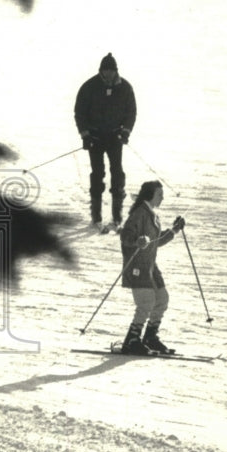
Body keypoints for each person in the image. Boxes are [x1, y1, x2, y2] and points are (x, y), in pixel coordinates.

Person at [119, 180, 185, 355]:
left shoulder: (152, 214)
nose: (162, 198)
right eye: (159, 195)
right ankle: (131, 340)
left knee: (162, 299)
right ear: (150, 195)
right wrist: (136, 241)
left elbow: (155, 242)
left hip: (150, 266)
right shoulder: (139, 214)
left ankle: (150, 337)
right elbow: (126, 236)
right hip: (137, 266)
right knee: (146, 302)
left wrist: (174, 230)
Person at [74, 53, 136, 229]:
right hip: (95, 138)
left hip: (115, 137)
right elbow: (80, 112)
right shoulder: (89, 87)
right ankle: (96, 216)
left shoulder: (125, 88)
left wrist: (125, 132)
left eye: (111, 71)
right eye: (105, 71)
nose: (107, 74)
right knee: (97, 173)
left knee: (117, 173)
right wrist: (85, 135)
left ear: (116, 71)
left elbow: (131, 112)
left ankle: (117, 217)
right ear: (100, 71)